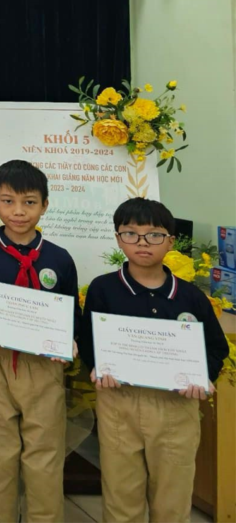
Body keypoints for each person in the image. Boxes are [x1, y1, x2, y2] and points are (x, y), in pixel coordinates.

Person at [79, 198, 229, 523]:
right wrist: (98, 367)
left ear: (170, 241)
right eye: (131, 234)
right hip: (119, 402)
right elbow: (89, 337)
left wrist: (202, 377)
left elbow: (217, 348)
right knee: (121, 494)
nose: (143, 243)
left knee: (172, 499)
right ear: (118, 239)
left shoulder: (191, 296)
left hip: (176, 405)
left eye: (154, 235)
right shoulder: (104, 289)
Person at [0, 160, 79, 523]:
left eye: (29, 202)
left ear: (45, 205)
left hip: (42, 366)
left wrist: (70, 340)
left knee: (45, 454)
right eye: (8, 201)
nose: (18, 211)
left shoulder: (59, 258)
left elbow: (70, 310)